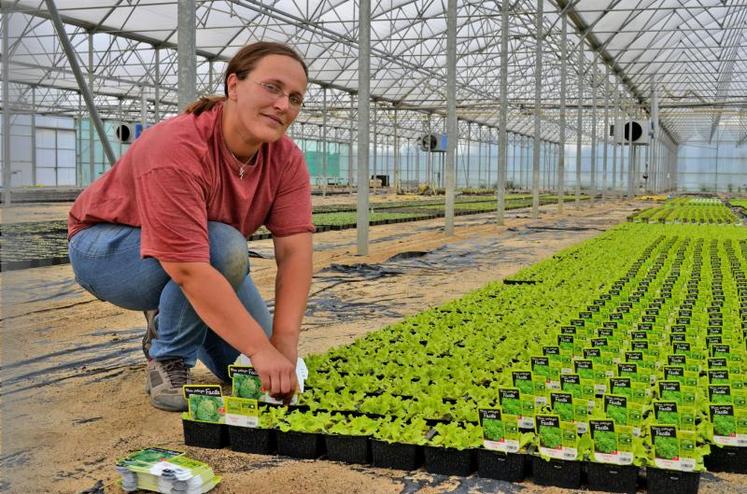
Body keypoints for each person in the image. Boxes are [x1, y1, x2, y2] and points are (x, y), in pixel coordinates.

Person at [67, 41, 314, 412]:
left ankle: (173, 312)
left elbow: (295, 254)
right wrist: (262, 350)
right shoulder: (178, 146)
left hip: (200, 253)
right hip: (106, 249)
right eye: (272, 87)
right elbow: (189, 267)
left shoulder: (286, 159)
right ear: (234, 85)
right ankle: (169, 357)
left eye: (295, 98)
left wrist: (282, 344)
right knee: (225, 248)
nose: (283, 104)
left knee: (243, 368)